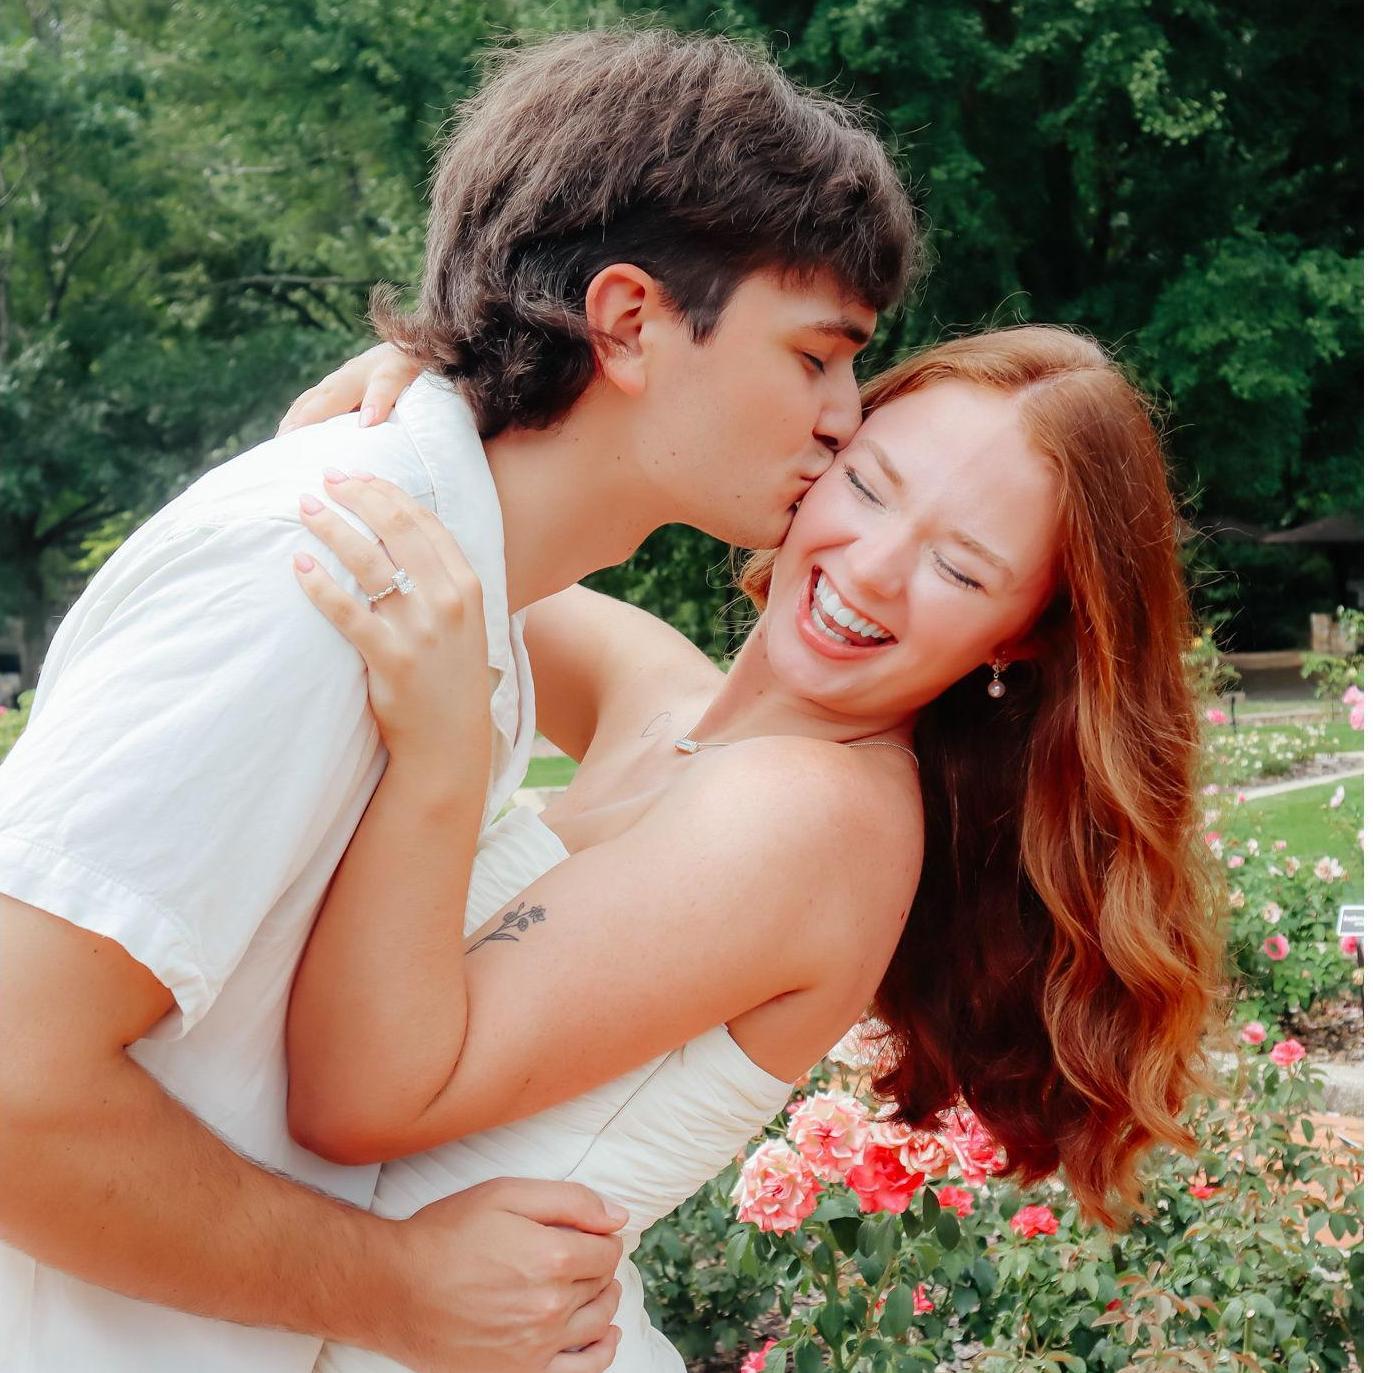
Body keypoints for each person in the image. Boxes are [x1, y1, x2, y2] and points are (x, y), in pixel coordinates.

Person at [0, 29, 916, 1373]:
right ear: (628, 321)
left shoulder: (440, 585)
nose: (846, 418)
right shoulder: (315, 581)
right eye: (815, 357)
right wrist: (391, 1288)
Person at [282, 325, 1225, 1371]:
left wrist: (441, 758)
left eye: (958, 568)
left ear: (1020, 634)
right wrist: (426, 407)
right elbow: (419, 536)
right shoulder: (669, 704)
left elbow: (350, 1097)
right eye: (866, 486)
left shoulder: (813, 815)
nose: (871, 569)